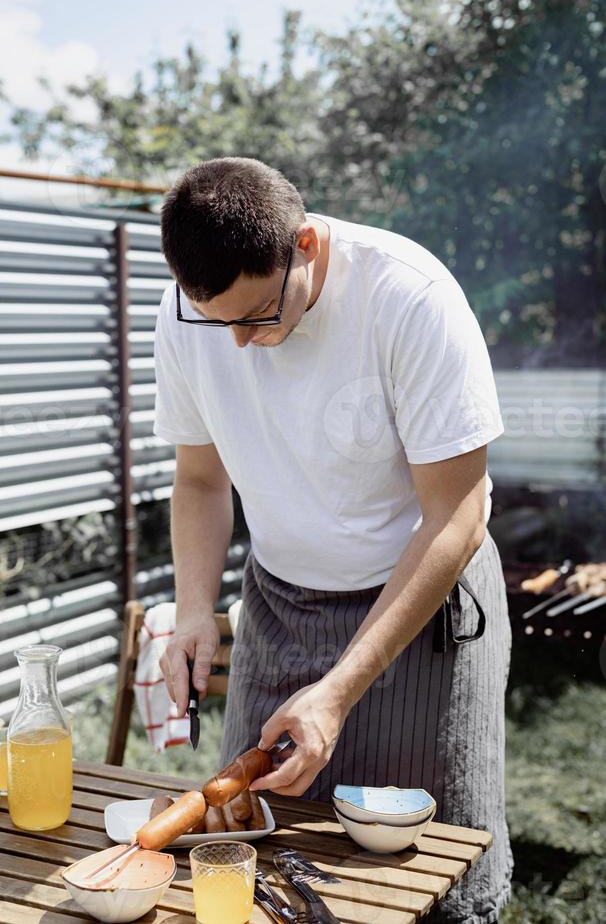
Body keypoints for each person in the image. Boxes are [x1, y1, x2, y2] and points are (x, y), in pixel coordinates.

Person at [156, 156, 513, 922]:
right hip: (281, 600)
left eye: (259, 316)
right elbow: (201, 481)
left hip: (421, 602)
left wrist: (342, 690)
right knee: (253, 846)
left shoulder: (411, 298)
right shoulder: (193, 315)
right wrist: (193, 610)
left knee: (421, 865)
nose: (242, 344)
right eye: (220, 324)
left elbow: (457, 515)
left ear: (307, 245)